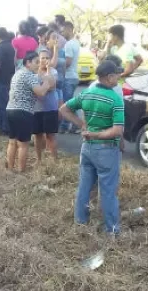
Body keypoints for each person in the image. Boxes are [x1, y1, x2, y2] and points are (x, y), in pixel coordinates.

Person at [58, 61, 126, 235]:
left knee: (85, 186)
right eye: (117, 74)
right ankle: (111, 230)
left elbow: (64, 109)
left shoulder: (87, 93)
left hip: (87, 148)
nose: (119, 77)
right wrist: (97, 134)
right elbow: (118, 130)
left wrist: (82, 125)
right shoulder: (116, 99)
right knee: (108, 190)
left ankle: (80, 221)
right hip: (106, 149)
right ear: (109, 77)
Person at [5, 51, 55, 172]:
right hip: (23, 112)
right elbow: (41, 92)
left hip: (10, 109)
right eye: (36, 62)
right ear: (28, 63)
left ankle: (10, 169)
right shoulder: (29, 75)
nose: (38, 65)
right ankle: (21, 171)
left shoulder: (18, 73)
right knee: (23, 144)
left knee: (12, 142)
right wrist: (47, 82)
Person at [34, 48, 60, 164]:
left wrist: (48, 69)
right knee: (38, 135)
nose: (45, 60)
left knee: (50, 135)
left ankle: (54, 161)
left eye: (47, 58)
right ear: (38, 60)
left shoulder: (53, 71)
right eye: (42, 58)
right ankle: (39, 159)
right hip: (37, 108)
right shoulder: (34, 72)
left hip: (50, 108)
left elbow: (51, 84)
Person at [0, 28, 15, 137]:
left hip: (1, 79)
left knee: (1, 105)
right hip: (9, 78)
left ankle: (5, 128)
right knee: (4, 103)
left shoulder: (1, 47)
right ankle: (2, 125)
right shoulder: (10, 46)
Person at [59, 22, 81, 134]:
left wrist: (59, 68)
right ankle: (69, 125)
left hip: (68, 76)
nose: (62, 33)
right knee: (70, 102)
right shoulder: (76, 43)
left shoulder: (68, 44)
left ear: (69, 29)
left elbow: (68, 61)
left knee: (67, 104)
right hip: (74, 76)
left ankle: (74, 125)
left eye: (63, 31)